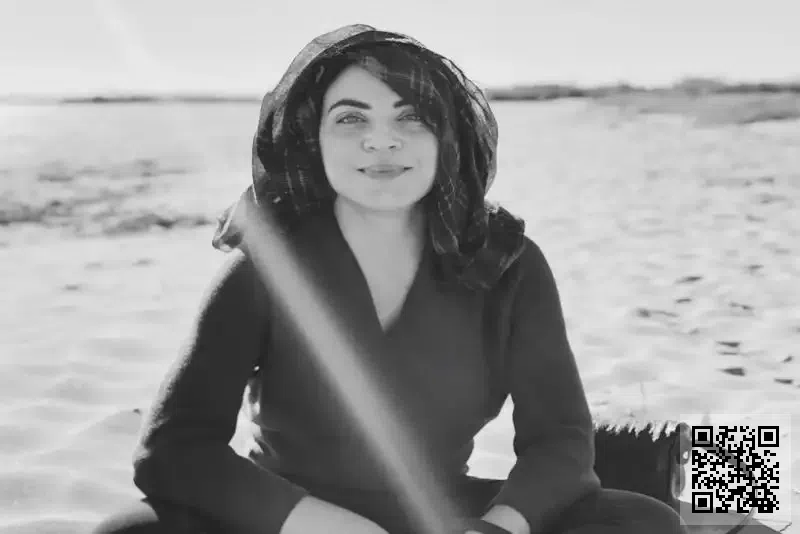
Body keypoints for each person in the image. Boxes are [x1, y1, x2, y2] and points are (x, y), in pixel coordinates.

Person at [93, 24, 687, 534]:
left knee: (651, 513)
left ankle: (699, 477)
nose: (382, 139)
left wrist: (495, 529)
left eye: (413, 117)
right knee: (129, 532)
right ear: (313, 138)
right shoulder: (268, 268)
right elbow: (173, 449)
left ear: (447, 138)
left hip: (451, 513)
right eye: (351, 118)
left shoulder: (510, 263)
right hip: (295, 517)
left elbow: (561, 439)